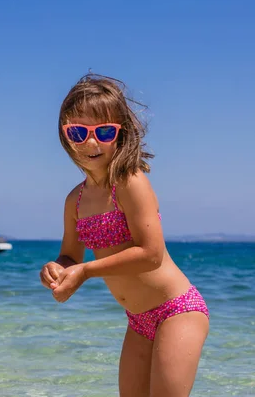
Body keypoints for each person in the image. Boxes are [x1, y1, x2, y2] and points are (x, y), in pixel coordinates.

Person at [40, 73, 210, 397]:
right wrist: (57, 268)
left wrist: (87, 271)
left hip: (177, 310)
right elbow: (71, 256)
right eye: (79, 132)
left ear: (120, 133)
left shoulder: (130, 182)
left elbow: (151, 254)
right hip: (138, 320)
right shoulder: (74, 201)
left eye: (103, 132)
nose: (91, 143)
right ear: (65, 136)